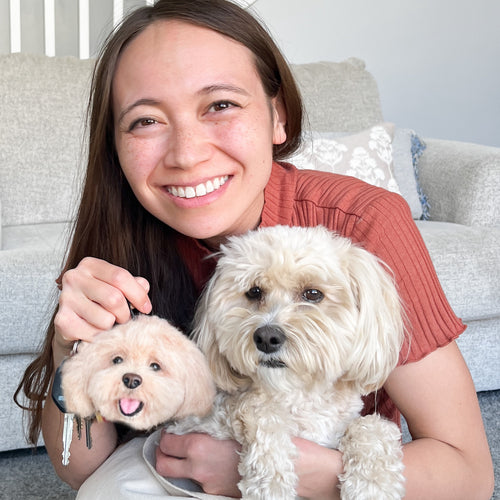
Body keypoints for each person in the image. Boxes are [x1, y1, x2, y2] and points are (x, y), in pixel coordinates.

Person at [16, 0, 494, 498]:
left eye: (220, 105)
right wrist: (70, 349)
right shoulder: (118, 240)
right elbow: (79, 471)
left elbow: (469, 474)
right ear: (115, 146)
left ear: (277, 118)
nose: (186, 154)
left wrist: (275, 470)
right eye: (145, 121)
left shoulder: (361, 224)